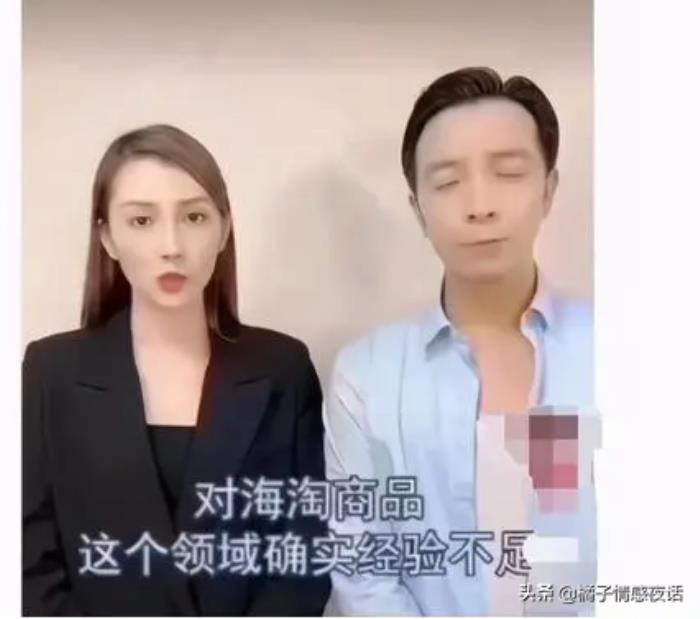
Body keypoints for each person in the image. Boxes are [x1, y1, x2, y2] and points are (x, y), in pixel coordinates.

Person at [22, 124, 330, 616]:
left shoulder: (282, 369)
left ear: (223, 229)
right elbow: (29, 562)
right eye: (142, 220)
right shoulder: (51, 372)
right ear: (107, 237)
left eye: (194, 217)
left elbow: (305, 551)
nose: (172, 245)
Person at [324, 67, 597, 615]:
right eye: (448, 182)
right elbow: (363, 572)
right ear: (418, 210)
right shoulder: (367, 376)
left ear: (548, 190)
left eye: (508, 173)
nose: (480, 205)